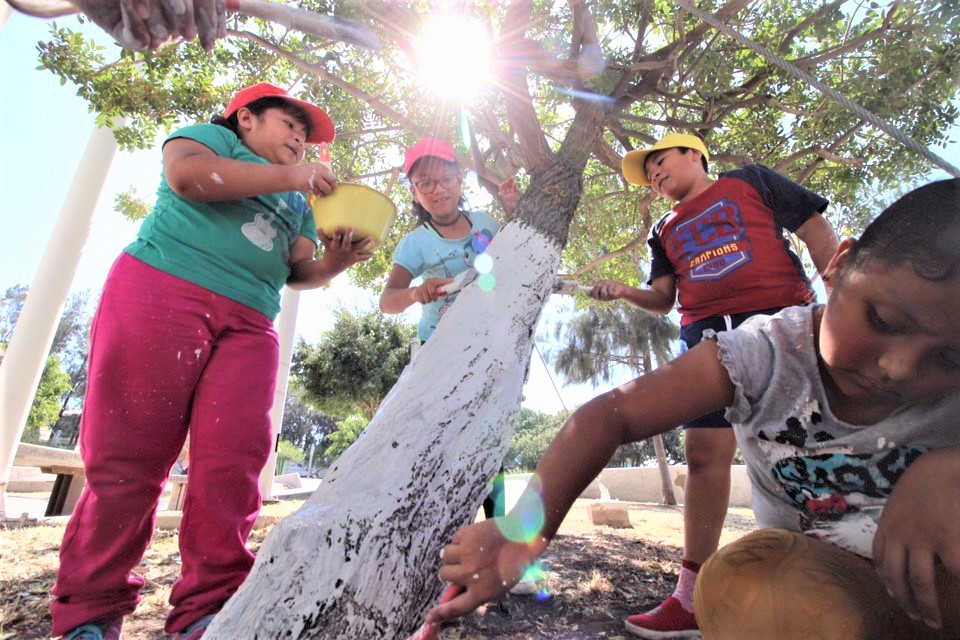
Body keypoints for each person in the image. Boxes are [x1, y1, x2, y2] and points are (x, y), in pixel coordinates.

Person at [424, 178, 960, 639]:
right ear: (839, 268)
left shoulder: (747, 189)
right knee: (745, 584)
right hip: (831, 588)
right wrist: (523, 530)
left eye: (950, 356)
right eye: (885, 320)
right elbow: (612, 413)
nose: (900, 367)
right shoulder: (766, 353)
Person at [51, 82, 373, 640]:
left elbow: (299, 272)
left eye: (305, 135)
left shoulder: (298, 204)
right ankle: (89, 614)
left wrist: (336, 263)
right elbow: (187, 179)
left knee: (233, 465)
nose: (299, 139)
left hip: (251, 321)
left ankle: (208, 609)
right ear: (244, 118)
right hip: (163, 288)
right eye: (289, 125)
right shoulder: (205, 139)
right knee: (129, 457)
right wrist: (295, 176)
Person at [585, 132, 839, 637]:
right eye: (648, 174)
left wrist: (841, 305)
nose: (654, 175)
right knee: (702, 453)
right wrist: (624, 291)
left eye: (660, 161)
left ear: (695, 154)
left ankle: (840, 581)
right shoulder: (664, 229)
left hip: (780, 320)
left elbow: (814, 230)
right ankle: (690, 599)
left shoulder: (752, 181)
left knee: (808, 444)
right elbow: (662, 298)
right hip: (705, 337)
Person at [379, 137, 518, 522]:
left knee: (490, 437)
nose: (437, 189)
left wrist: (513, 209)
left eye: (445, 179)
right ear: (415, 192)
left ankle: (497, 530)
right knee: (442, 437)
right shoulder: (414, 245)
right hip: (437, 353)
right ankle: (447, 528)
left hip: (487, 346)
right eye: (425, 183)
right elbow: (387, 301)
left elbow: (515, 258)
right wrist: (414, 292)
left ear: (460, 181)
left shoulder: (488, 225)